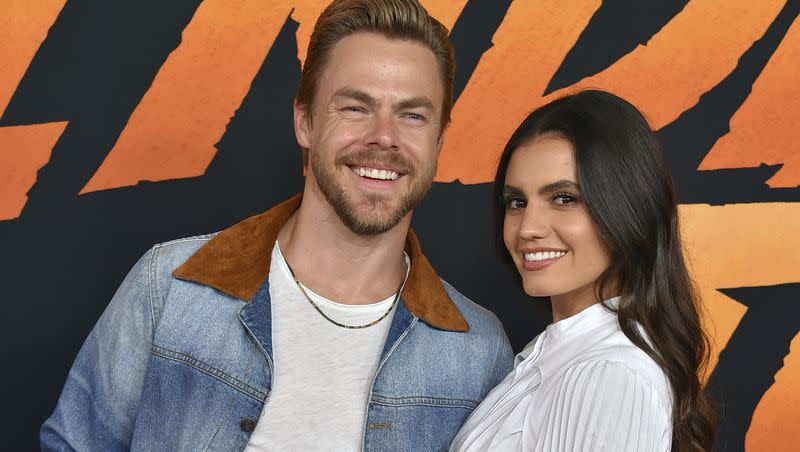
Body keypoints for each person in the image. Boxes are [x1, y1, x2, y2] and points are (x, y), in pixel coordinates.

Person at [41, 1, 513, 450]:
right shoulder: (168, 287)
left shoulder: (478, 351)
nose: (384, 137)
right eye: (355, 107)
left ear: (438, 141)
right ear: (304, 122)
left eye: (412, 115)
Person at [450, 90, 716, 451]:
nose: (528, 227)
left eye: (564, 199)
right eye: (517, 201)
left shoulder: (610, 374)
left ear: (627, 210)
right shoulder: (560, 355)